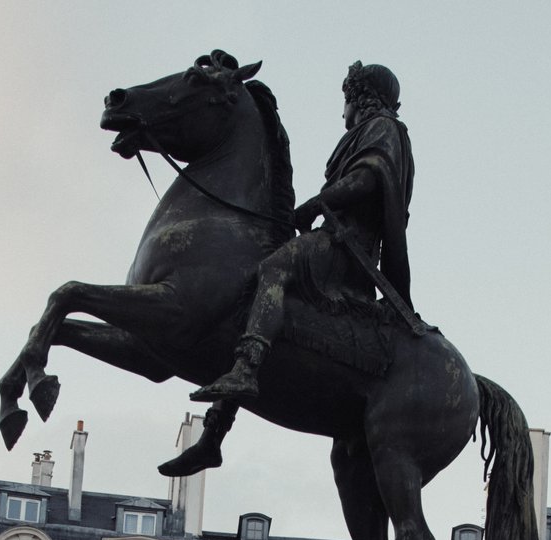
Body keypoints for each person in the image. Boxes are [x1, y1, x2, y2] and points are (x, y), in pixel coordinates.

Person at [161, 61, 415, 478]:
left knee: (274, 268)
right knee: (248, 303)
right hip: (334, 236)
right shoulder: (367, 131)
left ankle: (246, 369)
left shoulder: (384, 127)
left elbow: (369, 177)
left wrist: (318, 203)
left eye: (346, 99)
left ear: (361, 96)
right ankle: (212, 437)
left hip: (347, 247)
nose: (343, 110)